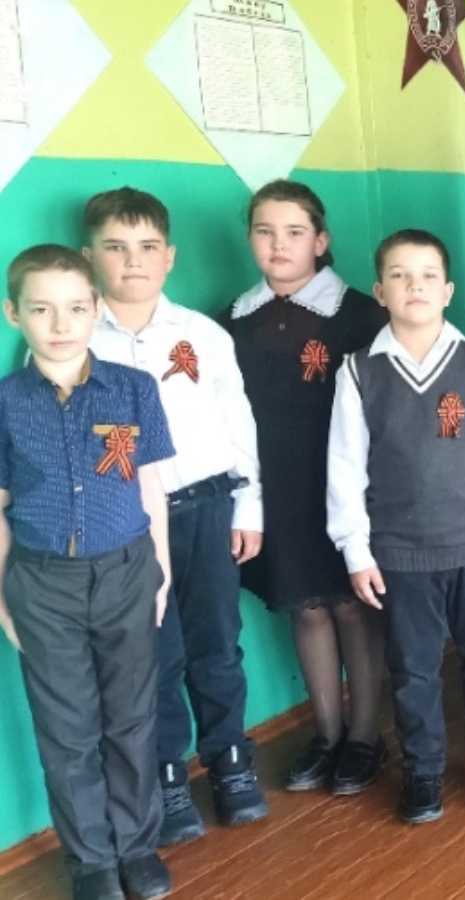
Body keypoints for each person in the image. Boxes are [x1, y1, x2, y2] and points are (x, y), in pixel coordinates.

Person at [326, 229, 465, 824]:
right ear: (379, 292)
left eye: (426, 276)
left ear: (446, 291)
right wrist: (356, 550)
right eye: (399, 275)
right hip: (399, 552)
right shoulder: (359, 372)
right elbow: (344, 467)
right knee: (412, 667)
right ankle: (422, 769)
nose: (413, 286)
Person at [84, 187, 266, 846]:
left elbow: (238, 421)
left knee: (216, 644)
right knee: (151, 655)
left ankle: (230, 761)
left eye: (147, 247)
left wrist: (249, 506)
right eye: (115, 247)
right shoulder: (75, 339)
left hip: (206, 509)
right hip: (123, 526)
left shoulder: (201, 334)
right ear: (89, 256)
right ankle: (167, 773)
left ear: (170, 256)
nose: (132, 260)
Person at [0, 245, 176, 900]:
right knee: (67, 729)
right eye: (41, 309)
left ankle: (136, 846)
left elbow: (151, 488)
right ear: (13, 313)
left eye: (76, 308)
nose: (60, 324)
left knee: (132, 718)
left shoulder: (134, 388)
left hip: (127, 572)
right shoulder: (6, 403)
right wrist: (4, 600)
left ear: (96, 308)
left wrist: (159, 572)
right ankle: (92, 861)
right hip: (42, 584)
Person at [226, 180, 389, 794]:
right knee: (307, 605)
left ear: (320, 241)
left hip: (346, 487)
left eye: (294, 232)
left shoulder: (361, 316)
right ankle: (327, 732)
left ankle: (367, 735)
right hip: (277, 488)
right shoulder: (232, 322)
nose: (279, 244)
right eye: (265, 232)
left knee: (352, 604)